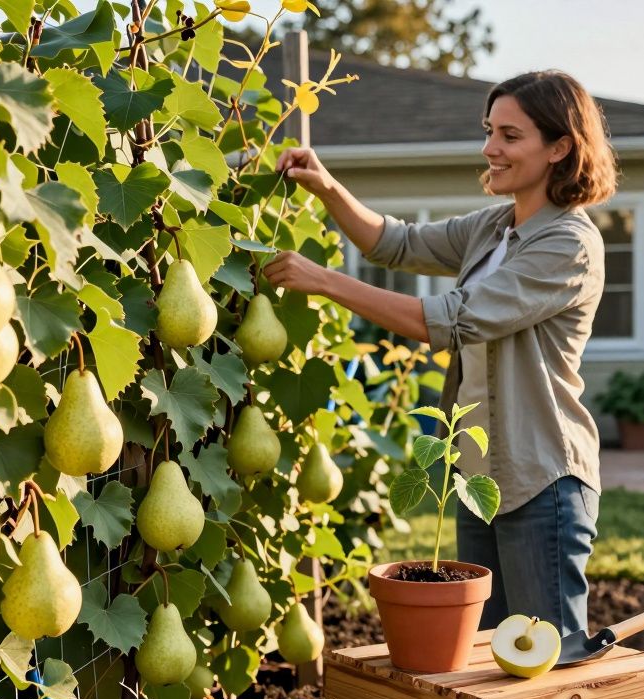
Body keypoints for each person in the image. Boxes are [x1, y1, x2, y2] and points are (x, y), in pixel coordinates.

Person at [262, 70, 619, 635]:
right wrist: (325, 186)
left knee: (546, 657)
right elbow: (395, 243)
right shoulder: (496, 227)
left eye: (509, 135)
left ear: (560, 147)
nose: (490, 149)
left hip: (541, 478)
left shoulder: (568, 245)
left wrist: (327, 281)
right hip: (482, 479)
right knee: (486, 654)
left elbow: (449, 321)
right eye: (489, 131)